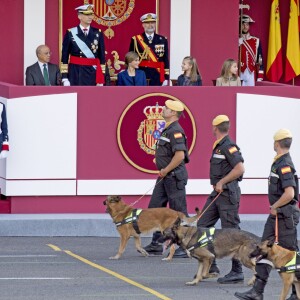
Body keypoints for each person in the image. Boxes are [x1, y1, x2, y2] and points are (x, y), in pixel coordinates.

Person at [235, 129, 299, 300]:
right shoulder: (279, 162)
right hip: (277, 215)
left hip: (284, 216)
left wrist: (275, 206)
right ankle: (257, 291)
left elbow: (290, 194)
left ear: (276, 143)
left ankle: (295, 293)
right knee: (262, 249)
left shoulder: (284, 164)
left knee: (291, 255)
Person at [197, 115, 245, 283]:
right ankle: (212, 264)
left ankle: (237, 271)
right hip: (218, 194)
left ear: (214, 128)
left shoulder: (228, 146)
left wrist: (223, 181)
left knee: (231, 233)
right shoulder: (219, 146)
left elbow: (240, 168)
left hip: (227, 193)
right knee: (202, 224)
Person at [143, 100, 189, 256]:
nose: (163, 109)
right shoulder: (167, 129)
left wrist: (165, 169)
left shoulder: (175, 131)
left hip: (173, 177)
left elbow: (180, 155)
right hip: (165, 176)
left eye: (166, 108)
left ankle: (183, 246)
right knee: (155, 208)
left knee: (178, 212)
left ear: (173, 113)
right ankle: (157, 242)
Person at [61, 4, 106, 86]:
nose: (90, 17)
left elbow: (102, 56)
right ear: (79, 16)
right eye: (87, 14)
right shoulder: (70, 33)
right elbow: (64, 56)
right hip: (76, 72)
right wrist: (64, 77)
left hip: (92, 72)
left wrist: (101, 76)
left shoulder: (98, 33)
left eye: (91, 14)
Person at [129, 13, 169, 86]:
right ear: (143, 25)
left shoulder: (162, 40)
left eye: (153, 22)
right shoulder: (135, 40)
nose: (150, 25)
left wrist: (166, 77)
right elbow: (131, 59)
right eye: (147, 23)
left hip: (157, 75)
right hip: (140, 74)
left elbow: (165, 59)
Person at [239, 15, 264, 86]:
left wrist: (260, 76)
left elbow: (260, 60)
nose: (245, 26)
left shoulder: (256, 40)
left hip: (251, 72)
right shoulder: (236, 40)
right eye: (243, 24)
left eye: (247, 24)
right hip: (239, 72)